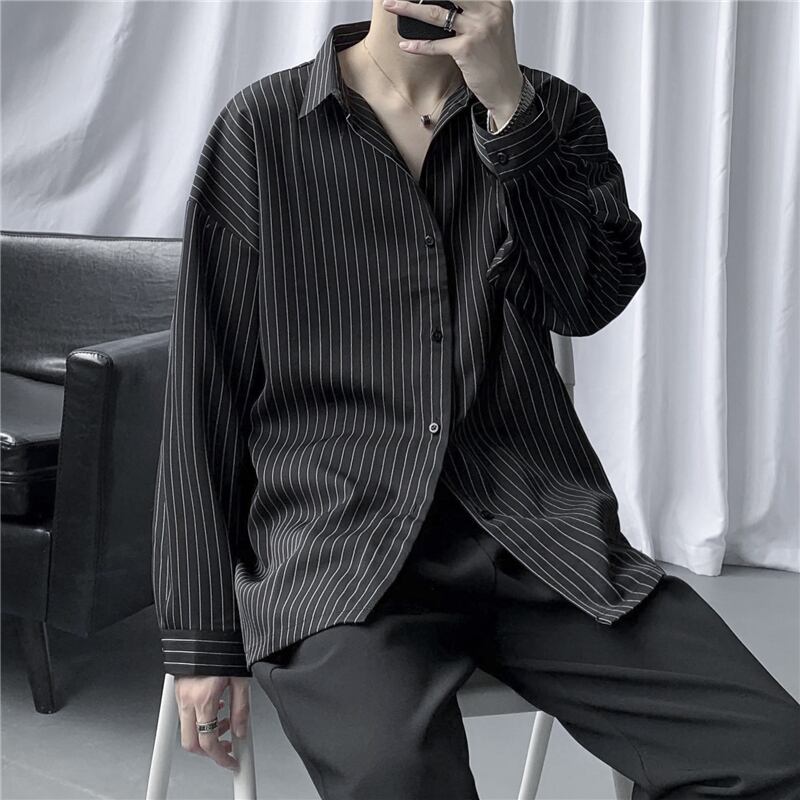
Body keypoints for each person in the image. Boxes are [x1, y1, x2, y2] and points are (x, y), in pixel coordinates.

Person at [151, 1, 800, 797]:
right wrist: (201, 640)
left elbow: (585, 300)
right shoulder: (262, 129)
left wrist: (510, 113)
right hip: (340, 552)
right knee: (401, 779)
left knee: (774, 755)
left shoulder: (554, 115)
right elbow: (203, 392)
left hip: (537, 539)